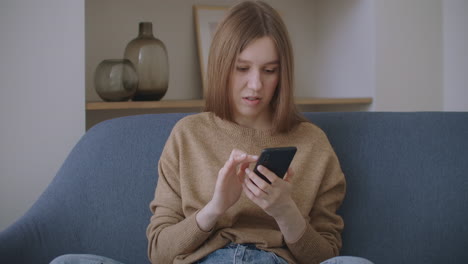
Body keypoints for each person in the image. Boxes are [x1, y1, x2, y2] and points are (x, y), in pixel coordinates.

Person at [51, 1, 373, 264]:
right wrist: (216, 207)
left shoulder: (313, 144)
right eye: (242, 68)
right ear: (221, 66)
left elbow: (327, 255)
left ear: (282, 73)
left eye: (269, 70)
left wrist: (286, 212)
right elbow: (159, 252)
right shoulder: (187, 136)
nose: (256, 85)